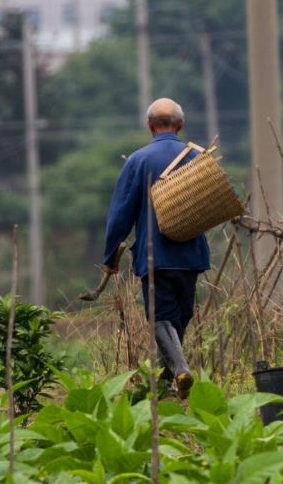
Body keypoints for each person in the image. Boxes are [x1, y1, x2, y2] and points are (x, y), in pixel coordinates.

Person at [102, 98, 210, 400]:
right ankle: (169, 385)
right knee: (179, 317)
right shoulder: (198, 158)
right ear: (181, 125)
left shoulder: (138, 161)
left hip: (156, 256)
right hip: (191, 255)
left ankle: (179, 370)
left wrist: (111, 256)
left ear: (150, 126)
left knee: (161, 316)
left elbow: (121, 212)